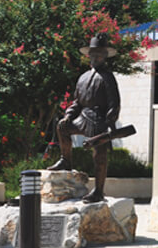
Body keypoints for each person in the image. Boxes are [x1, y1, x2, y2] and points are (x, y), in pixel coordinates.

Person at [46, 33, 121, 203]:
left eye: (99, 54)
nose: (95, 57)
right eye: (93, 54)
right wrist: (68, 115)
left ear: (105, 56)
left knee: (99, 154)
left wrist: (110, 118)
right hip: (83, 117)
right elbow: (77, 102)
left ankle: (99, 191)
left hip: (98, 119)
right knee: (62, 127)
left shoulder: (108, 78)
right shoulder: (83, 77)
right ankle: (66, 160)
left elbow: (114, 102)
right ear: (89, 56)